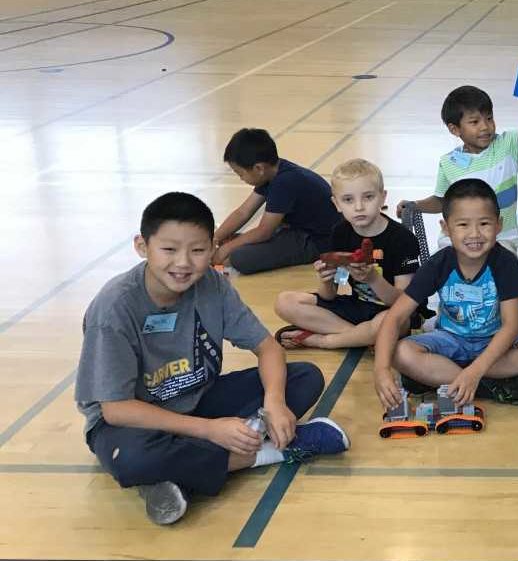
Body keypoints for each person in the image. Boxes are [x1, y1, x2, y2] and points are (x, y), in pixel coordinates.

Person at [74, 192, 349, 525]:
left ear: (212, 248)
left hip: (196, 399)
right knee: (132, 461)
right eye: (169, 250)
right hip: (129, 423)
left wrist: (275, 403)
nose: (184, 263)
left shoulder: (211, 287)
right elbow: (115, 408)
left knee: (303, 377)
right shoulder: (116, 307)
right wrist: (209, 430)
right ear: (142, 247)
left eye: (198, 250)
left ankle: (178, 474)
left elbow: (268, 347)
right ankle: (271, 451)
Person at [373, 179, 518, 410]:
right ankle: (489, 385)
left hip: (494, 345)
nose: (474, 234)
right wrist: (381, 370)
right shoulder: (439, 264)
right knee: (399, 353)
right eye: (463, 225)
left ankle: (444, 379)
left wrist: (475, 370)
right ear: (446, 228)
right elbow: (394, 318)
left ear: (499, 225)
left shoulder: (505, 263)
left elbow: (511, 328)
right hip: (450, 341)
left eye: (484, 223)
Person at [395, 84, 518, 285]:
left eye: (489, 118)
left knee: (494, 283)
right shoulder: (448, 163)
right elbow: (442, 201)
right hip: (458, 241)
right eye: (474, 122)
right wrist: (415, 205)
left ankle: (515, 272)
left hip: (500, 240)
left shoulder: (507, 146)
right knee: (449, 278)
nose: (485, 126)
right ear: (455, 129)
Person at [274, 159, 423, 349]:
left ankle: (326, 341)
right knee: (284, 302)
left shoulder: (402, 238)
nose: (359, 207)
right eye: (348, 200)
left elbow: (404, 302)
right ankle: (362, 338)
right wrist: (326, 280)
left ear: (383, 197)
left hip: (391, 312)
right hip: (357, 306)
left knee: (389, 322)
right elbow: (329, 295)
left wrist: (373, 279)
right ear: (336, 204)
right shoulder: (340, 232)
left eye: (368, 197)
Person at [212, 128, 342, 274]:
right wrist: (215, 238)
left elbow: (264, 231)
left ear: (258, 168)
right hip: (295, 230)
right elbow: (243, 212)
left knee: (239, 258)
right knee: (232, 241)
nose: (240, 178)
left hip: (317, 241)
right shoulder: (272, 171)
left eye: (240, 173)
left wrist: (226, 249)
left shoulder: (284, 182)